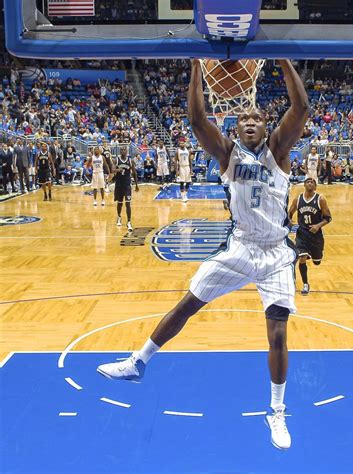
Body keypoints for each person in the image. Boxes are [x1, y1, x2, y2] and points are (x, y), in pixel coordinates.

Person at [97, 59, 309, 450]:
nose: (249, 122)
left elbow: (301, 109)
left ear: (266, 126)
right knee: (188, 304)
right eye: (243, 118)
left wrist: (281, 60)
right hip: (241, 247)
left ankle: (276, 412)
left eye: (257, 118)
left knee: (277, 334)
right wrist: (196, 64)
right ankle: (138, 363)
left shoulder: (278, 152)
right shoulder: (228, 155)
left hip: (277, 252)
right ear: (235, 128)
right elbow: (197, 120)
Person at [289, 177, 332, 295]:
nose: (309, 183)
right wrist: (289, 222)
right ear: (304, 184)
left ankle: (314, 255)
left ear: (315, 186)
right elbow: (289, 213)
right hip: (302, 234)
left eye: (312, 182)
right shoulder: (298, 199)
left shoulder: (320, 199)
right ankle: (305, 284)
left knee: (317, 262)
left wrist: (318, 226)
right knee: (302, 258)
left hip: (316, 236)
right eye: (307, 182)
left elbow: (328, 218)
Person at [114, 147, 139, 231]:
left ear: (127, 151)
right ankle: (119, 216)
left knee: (128, 204)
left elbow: (134, 172)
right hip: (119, 185)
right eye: (122, 150)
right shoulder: (116, 160)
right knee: (120, 203)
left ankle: (128, 222)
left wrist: (136, 184)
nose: (123, 151)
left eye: (124, 150)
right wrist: (118, 170)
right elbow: (112, 169)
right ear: (120, 151)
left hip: (127, 185)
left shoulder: (130, 160)